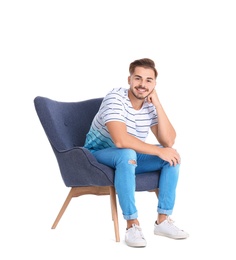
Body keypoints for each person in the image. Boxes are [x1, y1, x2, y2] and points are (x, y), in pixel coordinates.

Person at [84, 58, 189, 247]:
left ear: (154, 84)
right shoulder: (115, 98)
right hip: (96, 156)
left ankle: (163, 221)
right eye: (138, 78)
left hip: (128, 156)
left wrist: (157, 104)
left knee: (171, 156)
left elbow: (168, 141)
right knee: (127, 153)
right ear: (129, 80)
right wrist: (158, 152)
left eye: (149, 80)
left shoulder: (149, 104)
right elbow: (120, 140)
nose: (142, 84)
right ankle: (132, 225)